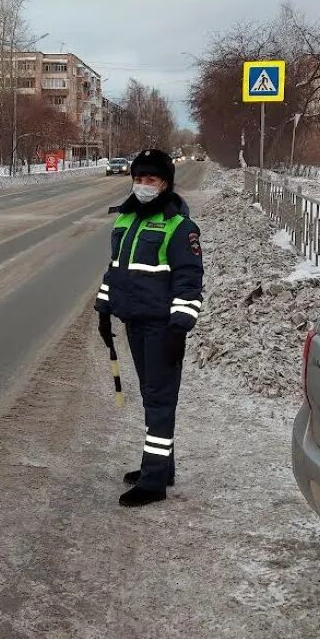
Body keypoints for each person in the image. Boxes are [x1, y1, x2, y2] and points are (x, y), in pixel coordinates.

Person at [95, 149, 204, 508]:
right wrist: (104, 306)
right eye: (138, 179)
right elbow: (116, 270)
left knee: (159, 400)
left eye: (151, 179)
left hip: (161, 327)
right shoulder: (125, 220)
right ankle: (162, 465)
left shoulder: (179, 226)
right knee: (151, 395)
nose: (143, 185)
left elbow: (189, 283)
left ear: (165, 183)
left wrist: (179, 327)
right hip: (135, 322)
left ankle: (154, 481)